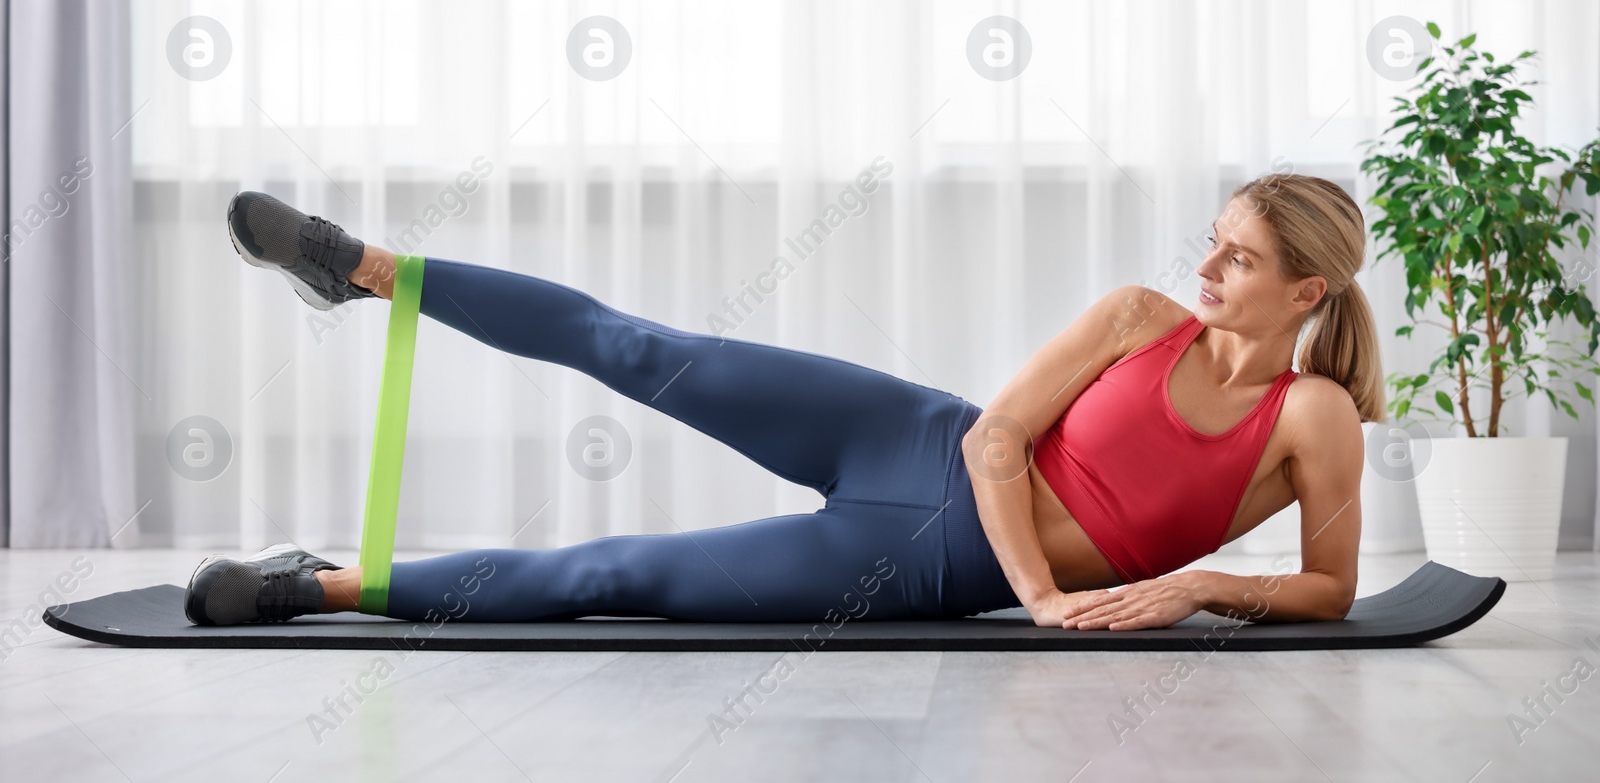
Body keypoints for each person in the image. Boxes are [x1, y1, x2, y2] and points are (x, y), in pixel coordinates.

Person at [186, 174, 1379, 631]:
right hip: (909, 435)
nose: (1207, 269)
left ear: (1303, 289)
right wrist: (1045, 598)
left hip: (915, 564)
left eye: (1236, 259)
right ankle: (363, 270)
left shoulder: (1308, 417)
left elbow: (1331, 590)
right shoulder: (1136, 315)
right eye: (1212, 243)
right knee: (637, 347)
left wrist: (1202, 582)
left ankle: (315, 585)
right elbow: (995, 435)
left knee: (619, 574)